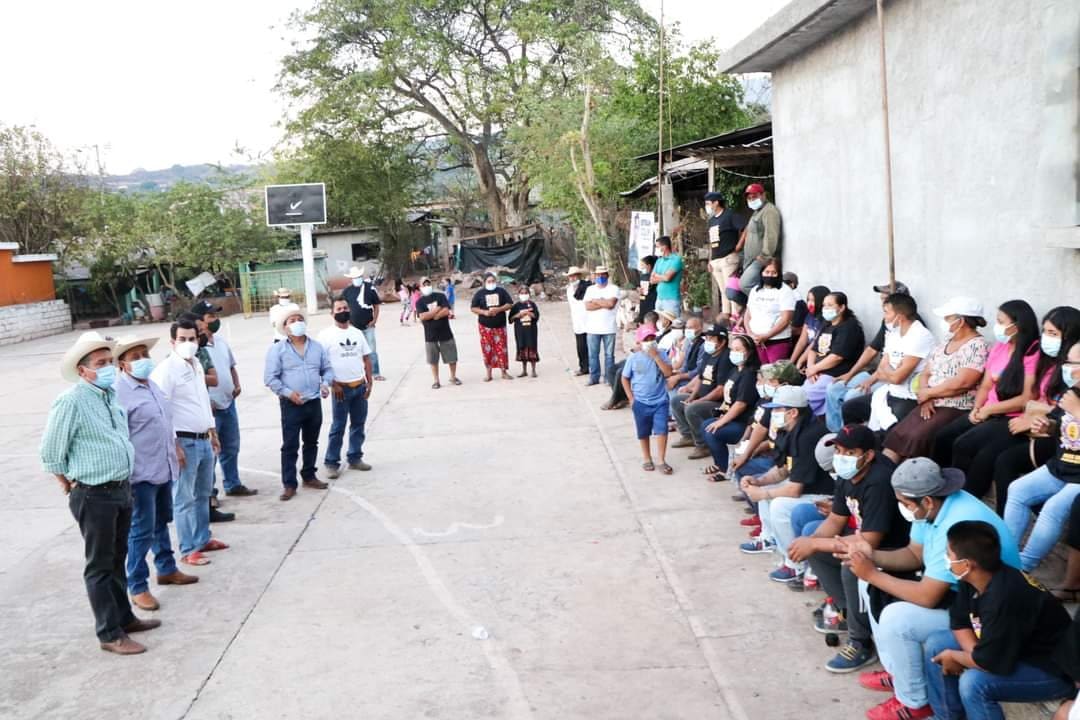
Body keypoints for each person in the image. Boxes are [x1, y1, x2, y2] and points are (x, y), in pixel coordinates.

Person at [837, 458, 1021, 720]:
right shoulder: (932, 503)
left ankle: (914, 701)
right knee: (868, 580)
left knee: (897, 619)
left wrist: (872, 573)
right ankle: (898, 673)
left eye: (904, 503)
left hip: (989, 608)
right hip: (963, 593)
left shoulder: (956, 523)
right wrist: (871, 557)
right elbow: (914, 554)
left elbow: (927, 596)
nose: (902, 507)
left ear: (927, 501)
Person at [40, 332, 160, 655]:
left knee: (117, 559)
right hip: (94, 494)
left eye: (110, 361)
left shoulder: (109, 396)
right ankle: (109, 633)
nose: (108, 367)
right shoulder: (72, 401)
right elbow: (50, 452)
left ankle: (124, 618)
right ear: (83, 370)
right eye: (101, 363)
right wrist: (67, 482)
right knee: (100, 566)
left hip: (120, 489)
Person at [923, 520, 1074, 720]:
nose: (946, 558)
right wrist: (974, 654)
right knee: (936, 644)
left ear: (967, 564)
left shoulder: (1005, 598)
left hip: (1053, 670)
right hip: (1012, 649)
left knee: (974, 683)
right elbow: (959, 621)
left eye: (949, 554)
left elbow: (989, 663)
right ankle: (946, 717)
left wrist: (958, 656)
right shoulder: (975, 577)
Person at [787, 425, 908, 672]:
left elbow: (870, 541)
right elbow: (835, 520)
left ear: (869, 455)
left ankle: (860, 642)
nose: (841, 456)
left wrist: (815, 544)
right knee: (813, 538)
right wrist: (811, 543)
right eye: (839, 450)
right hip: (864, 539)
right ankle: (847, 613)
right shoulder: (847, 475)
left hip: (893, 551)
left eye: (850, 452)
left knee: (851, 563)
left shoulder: (879, 480)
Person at [114, 334, 200, 613]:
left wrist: (175, 447)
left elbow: (165, 421)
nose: (143, 360)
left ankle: (166, 568)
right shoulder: (119, 393)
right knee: (141, 530)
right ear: (122, 364)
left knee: (161, 521)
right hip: (140, 473)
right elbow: (119, 435)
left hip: (163, 466)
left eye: (144, 355)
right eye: (135, 357)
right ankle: (137, 586)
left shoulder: (151, 385)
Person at [932, 300, 1041, 494]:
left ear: (1017, 325)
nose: (997, 326)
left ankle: (963, 494)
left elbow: (1027, 398)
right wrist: (977, 408)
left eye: (1001, 322)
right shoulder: (1000, 347)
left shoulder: (1032, 352)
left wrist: (989, 410)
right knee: (942, 437)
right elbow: (986, 385)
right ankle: (938, 487)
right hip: (986, 410)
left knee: (965, 445)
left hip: (1010, 415)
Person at [150, 318, 225, 565]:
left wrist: (213, 432)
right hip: (184, 441)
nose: (187, 343)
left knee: (203, 493)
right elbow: (161, 410)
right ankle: (188, 548)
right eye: (182, 339)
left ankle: (202, 538)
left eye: (191, 338)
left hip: (203, 439)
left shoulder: (197, 365)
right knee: (184, 498)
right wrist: (174, 445)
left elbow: (202, 399)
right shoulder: (166, 370)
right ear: (172, 342)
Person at [883, 297, 990, 464]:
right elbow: (926, 373)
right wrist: (925, 396)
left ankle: (911, 476)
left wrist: (928, 393)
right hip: (930, 402)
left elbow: (963, 383)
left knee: (918, 437)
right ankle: (884, 474)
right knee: (898, 434)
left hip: (954, 406)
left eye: (947, 318)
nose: (944, 322)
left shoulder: (977, 345)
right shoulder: (945, 343)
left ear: (961, 321)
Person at [992, 310, 1080, 513]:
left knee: (1006, 460)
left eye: (1053, 333)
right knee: (969, 444)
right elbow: (1053, 408)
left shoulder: (1073, 373)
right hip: (1051, 431)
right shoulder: (1052, 362)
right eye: (1045, 331)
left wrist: (1044, 420)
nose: (1046, 338)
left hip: (1066, 445)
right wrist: (1043, 422)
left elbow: (1065, 409)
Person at [737, 385, 836, 562]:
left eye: (777, 409)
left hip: (825, 495)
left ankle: (794, 564)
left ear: (793, 413)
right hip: (807, 487)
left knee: (779, 505)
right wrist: (759, 482)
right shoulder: (790, 429)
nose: (773, 413)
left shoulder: (808, 436)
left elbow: (794, 490)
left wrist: (763, 493)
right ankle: (769, 539)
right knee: (765, 490)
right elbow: (783, 469)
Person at [1003, 378, 1080, 571]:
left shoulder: (1074, 401)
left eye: (1075, 365)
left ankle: (1024, 567)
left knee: (1053, 508)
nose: (1070, 370)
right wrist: (1047, 426)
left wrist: (1078, 410)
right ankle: (1007, 558)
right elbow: (1059, 425)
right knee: (1018, 490)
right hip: (1061, 465)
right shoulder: (1073, 391)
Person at [822, 282, 914, 432]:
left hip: (891, 379)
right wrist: (850, 374)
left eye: (886, 298)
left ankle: (853, 434)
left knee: (852, 396)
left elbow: (897, 369)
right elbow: (872, 350)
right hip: (877, 373)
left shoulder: (912, 327)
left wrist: (872, 380)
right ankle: (836, 432)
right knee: (833, 389)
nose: (882, 301)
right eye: (882, 298)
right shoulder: (888, 322)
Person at [263, 305, 333, 501]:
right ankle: (289, 484)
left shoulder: (317, 347)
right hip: (291, 404)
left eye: (299, 320)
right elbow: (270, 378)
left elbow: (327, 369)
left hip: (313, 401)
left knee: (311, 441)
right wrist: (288, 393)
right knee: (290, 445)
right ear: (285, 328)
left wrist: (325, 383)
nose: (297, 323)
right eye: (292, 321)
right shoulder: (277, 350)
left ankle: (309, 475)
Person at [192, 301, 258, 506]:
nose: (215, 320)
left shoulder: (221, 342)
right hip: (211, 409)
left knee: (231, 446)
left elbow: (231, 367)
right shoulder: (196, 349)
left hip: (228, 403)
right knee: (211, 452)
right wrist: (206, 401)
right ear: (200, 321)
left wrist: (236, 384)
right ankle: (209, 493)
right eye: (211, 316)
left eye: (216, 315)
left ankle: (232, 483)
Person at [863, 293, 936, 432]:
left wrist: (889, 373)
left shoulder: (920, 336)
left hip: (909, 397)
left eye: (886, 312)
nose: (884, 317)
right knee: (850, 408)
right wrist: (892, 372)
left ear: (900, 317)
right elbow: (881, 367)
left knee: (888, 430)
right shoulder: (894, 333)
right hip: (890, 390)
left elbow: (897, 378)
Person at [318, 297, 374, 479]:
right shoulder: (325, 336)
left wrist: (369, 381)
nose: (343, 311)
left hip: (359, 386)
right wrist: (333, 384)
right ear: (332, 313)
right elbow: (320, 364)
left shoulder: (357, 333)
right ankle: (331, 462)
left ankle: (355, 457)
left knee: (358, 424)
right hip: (340, 390)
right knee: (338, 426)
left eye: (345, 308)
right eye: (339, 309)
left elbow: (366, 358)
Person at [699, 334, 761, 481]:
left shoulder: (749, 374)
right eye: (733, 349)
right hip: (732, 417)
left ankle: (725, 470)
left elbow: (740, 404)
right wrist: (721, 414)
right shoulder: (735, 370)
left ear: (749, 352)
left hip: (743, 423)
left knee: (712, 432)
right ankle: (719, 463)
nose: (734, 353)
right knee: (705, 426)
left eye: (738, 349)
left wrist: (722, 421)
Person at [670, 325, 732, 455]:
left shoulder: (726, 358)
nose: (707, 341)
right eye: (707, 338)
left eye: (711, 339)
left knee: (692, 408)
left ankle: (703, 445)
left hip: (718, 402)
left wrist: (699, 400)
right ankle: (688, 436)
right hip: (703, 396)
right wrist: (691, 395)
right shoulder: (708, 355)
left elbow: (720, 390)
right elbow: (700, 377)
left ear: (722, 342)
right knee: (677, 400)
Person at [802, 292, 866, 416]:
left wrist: (814, 369)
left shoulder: (849, 327)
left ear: (841, 308)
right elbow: (813, 349)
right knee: (802, 395)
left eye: (830, 305)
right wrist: (810, 368)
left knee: (804, 400)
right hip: (817, 372)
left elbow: (836, 357)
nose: (825, 308)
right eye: (824, 305)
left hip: (834, 374)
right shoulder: (826, 324)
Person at [622, 324, 674, 475]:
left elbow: (668, 373)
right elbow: (625, 378)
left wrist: (656, 357)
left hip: (660, 400)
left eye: (652, 338)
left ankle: (661, 460)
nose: (650, 342)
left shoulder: (662, 354)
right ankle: (647, 458)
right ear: (639, 342)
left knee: (661, 430)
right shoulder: (633, 358)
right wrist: (631, 398)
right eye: (646, 339)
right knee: (643, 431)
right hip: (640, 401)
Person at [743, 258, 797, 364]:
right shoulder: (755, 290)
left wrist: (766, 336)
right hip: (756, 340)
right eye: (767, 272)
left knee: (774, 372)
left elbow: (786, 319)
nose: (770, 275)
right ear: (761, 272)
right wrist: (750, 334)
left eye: (774, 273)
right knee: (761, 371)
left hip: (777, 341)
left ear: (779, 274)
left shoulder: (785, 291)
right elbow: (748, 313)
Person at [704, 191, 746, 316]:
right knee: (723, 291)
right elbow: (712, 242)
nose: (707, 206)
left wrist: (739, 245)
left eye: (708, 203)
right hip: (716, 260)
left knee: (731, 290)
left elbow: (745, 228)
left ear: (716, 202)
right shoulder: (711, 220)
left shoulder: (730, 215)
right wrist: (710, 260)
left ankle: (736, 317)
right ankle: (726, 316)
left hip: (728, 258)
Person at [415, 276, 461, 389]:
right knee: (433, 360)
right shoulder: (419, 302)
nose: (427, 286)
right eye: (424, 284)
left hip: (445, 332)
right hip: (430, 335)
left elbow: (446, 311)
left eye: (428, 284)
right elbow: (422, 316)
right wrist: (436, 310)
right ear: (420, 287)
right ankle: (436, 380)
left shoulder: (440, 296)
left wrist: (434, 315)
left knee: (452, 357)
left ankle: (453, 377)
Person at [342, 266, 386, 381]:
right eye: (355, 277)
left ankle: (375, 373)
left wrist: (374, 320)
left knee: (372, 350)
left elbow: (376, 306)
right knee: (355, 352)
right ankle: (359, 373)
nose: (357, 279)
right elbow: (344, 307)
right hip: (353, 327)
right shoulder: (347, 292)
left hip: (368, 326)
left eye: (359, 276)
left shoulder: (369, 288)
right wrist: (347, 323)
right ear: (351, 278)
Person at [737, 183, 782, 293]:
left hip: (762, 259)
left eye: (754, 197)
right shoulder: (757, 212)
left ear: (763, 195)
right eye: (749, 198)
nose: (751, 200)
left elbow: (771, 235)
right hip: (751, 260)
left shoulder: (769, 211)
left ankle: (764, 302)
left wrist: (765, 256)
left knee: (745, 284)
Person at [471, 272, 515, 382]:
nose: (491, 283)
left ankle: (504, 372)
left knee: (502, 348)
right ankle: (488, 373)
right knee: (487, 349)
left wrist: (499, 309)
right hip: (485, 326)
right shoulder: (480, 293)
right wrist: (484, 312)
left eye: (493, 281)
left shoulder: (501, 291)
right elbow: (473, 308)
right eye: (489, 281)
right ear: (484, 282)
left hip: (500, 325)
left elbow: (510, 304)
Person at [583, 265, 620, 387]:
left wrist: (595, 300)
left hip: (609, 327)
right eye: (598, 275)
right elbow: (588, 306)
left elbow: (611, 304)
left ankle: (609, 378)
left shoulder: (614, 289)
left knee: (609, 356)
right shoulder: (590, 289)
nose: (600, 277)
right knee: (593, 355)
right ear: (595, 276)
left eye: (603, 274)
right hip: (592, 328)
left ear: (607, 275)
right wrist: (604, 302)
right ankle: (594, 377)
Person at [791, 285, 830, 368]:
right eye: (808, 300)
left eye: (813, 300)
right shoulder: (809, 315)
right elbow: (802, 341)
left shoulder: (827, 319)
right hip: (807, 355)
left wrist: (800, 361)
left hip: (818, 358)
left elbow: (814, 344)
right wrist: (791, 361)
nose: (809, 303)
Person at [509, 285, 540, 378]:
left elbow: (536, 316)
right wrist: (518, 315)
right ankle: (524, 370)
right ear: (519, 294)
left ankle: (533, 370)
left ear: (529, 294)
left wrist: (529, 313)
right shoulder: (516, 306)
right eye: (522, 293)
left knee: (532, 347)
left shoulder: (532, 304)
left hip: (531, 331)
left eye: (526, 293)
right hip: (520, 331)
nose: (524, 295)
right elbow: (510, 319)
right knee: (522, 348)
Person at [566, 267, 592, 376]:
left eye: (574, 276)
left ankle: (593, 367)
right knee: (581, 346)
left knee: (591, 346)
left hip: (589, 320)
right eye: (571, 276)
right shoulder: (569, 289)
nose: (572, 278)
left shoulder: (588, 287)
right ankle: (583, 367)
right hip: (577, 321)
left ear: (579, 276)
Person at [650, 236, 683, 317]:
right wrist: (663, 277)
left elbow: (667, 278)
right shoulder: (659, 261)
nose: (656, 249)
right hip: (659, 298)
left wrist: (657, 275)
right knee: (659, 323)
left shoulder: (676, 259)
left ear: (664, 247)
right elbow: (652, 280)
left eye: (657, 247)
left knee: (672, 322)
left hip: (671, 300)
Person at [636, 255, 658, 323]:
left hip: (651, 301)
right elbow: (638, 286)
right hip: (643, 300)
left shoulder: (655, 276)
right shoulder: (643, 276)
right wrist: (638, 289)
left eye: (643, 265)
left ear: (649, 266)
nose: (641, 267)